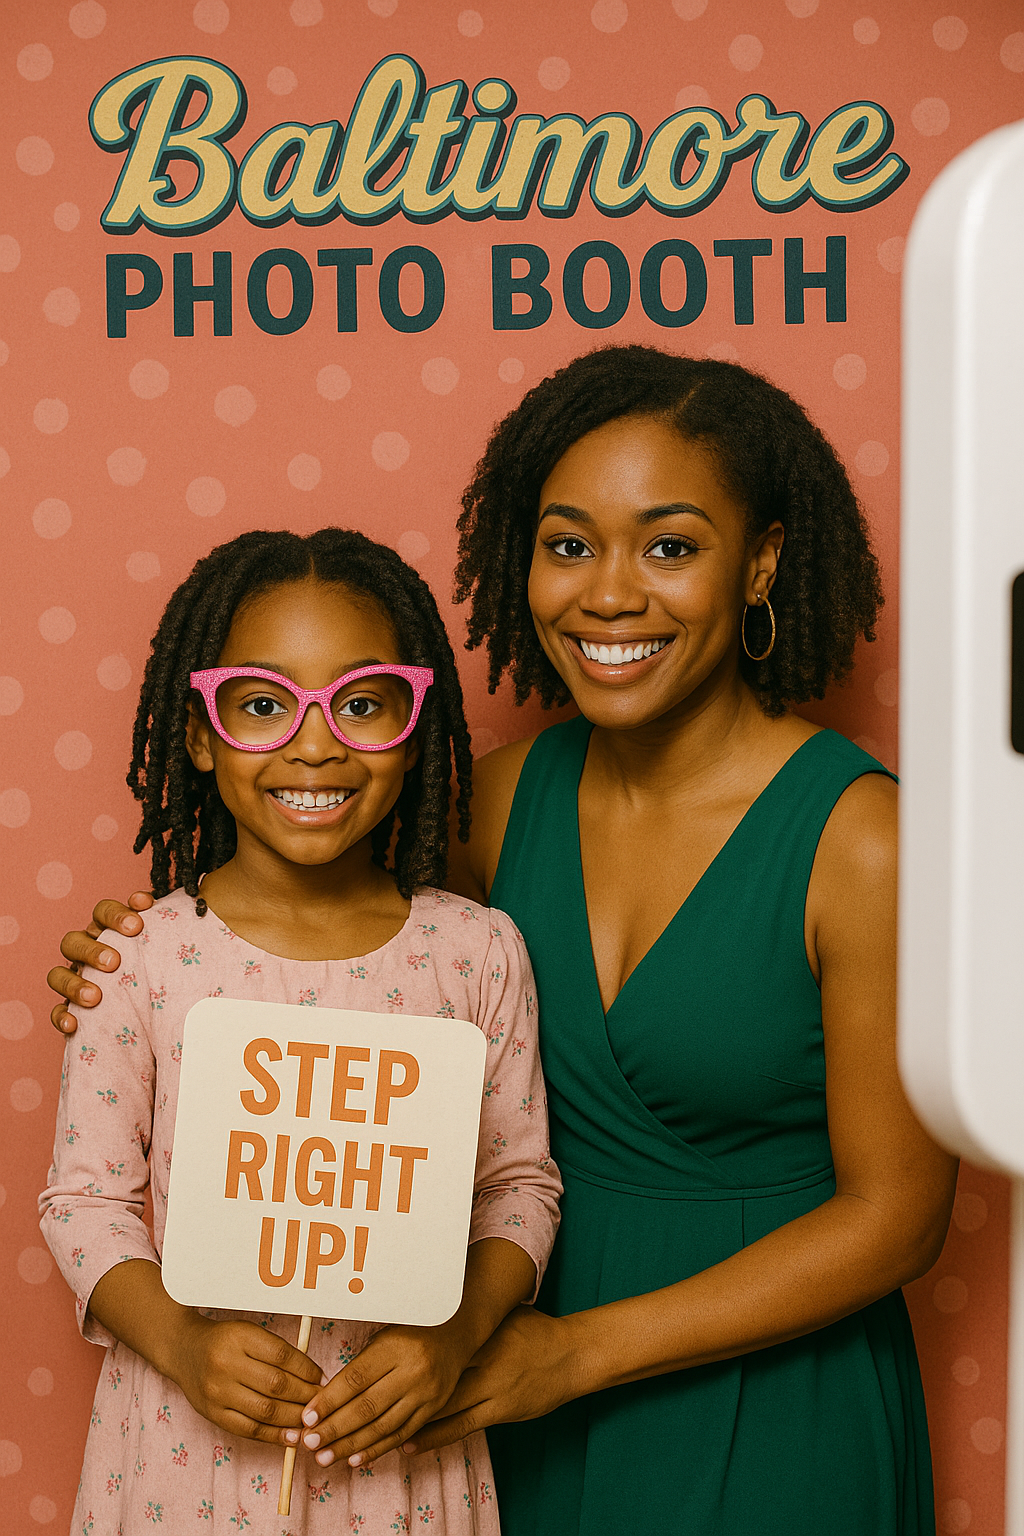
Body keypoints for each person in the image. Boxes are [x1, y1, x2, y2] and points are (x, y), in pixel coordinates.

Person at [49, 347, 958, 1535]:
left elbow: (897, 1217)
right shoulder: (499, 802)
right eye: (569, 544)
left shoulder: (864, 840)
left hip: (754, 1403)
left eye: (670, 546)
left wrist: (571, 1353)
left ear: (762, 562)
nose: (609, 594)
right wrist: (130, 955)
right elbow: (336, 967)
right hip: (478, 1410)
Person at [39, 526, 561, 1535]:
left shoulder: (475, 952)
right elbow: (83, 1202)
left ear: (414, 728)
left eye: (362, 704)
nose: (314, 743)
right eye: (263, 705)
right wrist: (183, 1344)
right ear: (198, 733)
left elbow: (519, 1187)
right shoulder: (141, 960)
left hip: (398, 1453)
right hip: (185, 1461)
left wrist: (454, 1337)